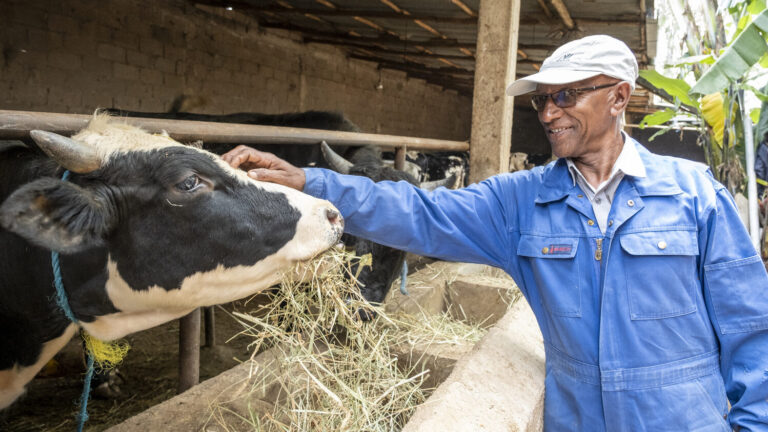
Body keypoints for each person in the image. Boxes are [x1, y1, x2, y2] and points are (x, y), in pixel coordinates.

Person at [222, 35, 768, 431]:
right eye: (541, 100)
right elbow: (420, 212)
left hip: (685, 420)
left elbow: (751, 330)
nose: (548, 113)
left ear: (619, 98)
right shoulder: (519, 202)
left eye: (566, 96)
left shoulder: (695, 195)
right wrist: (314, 184)